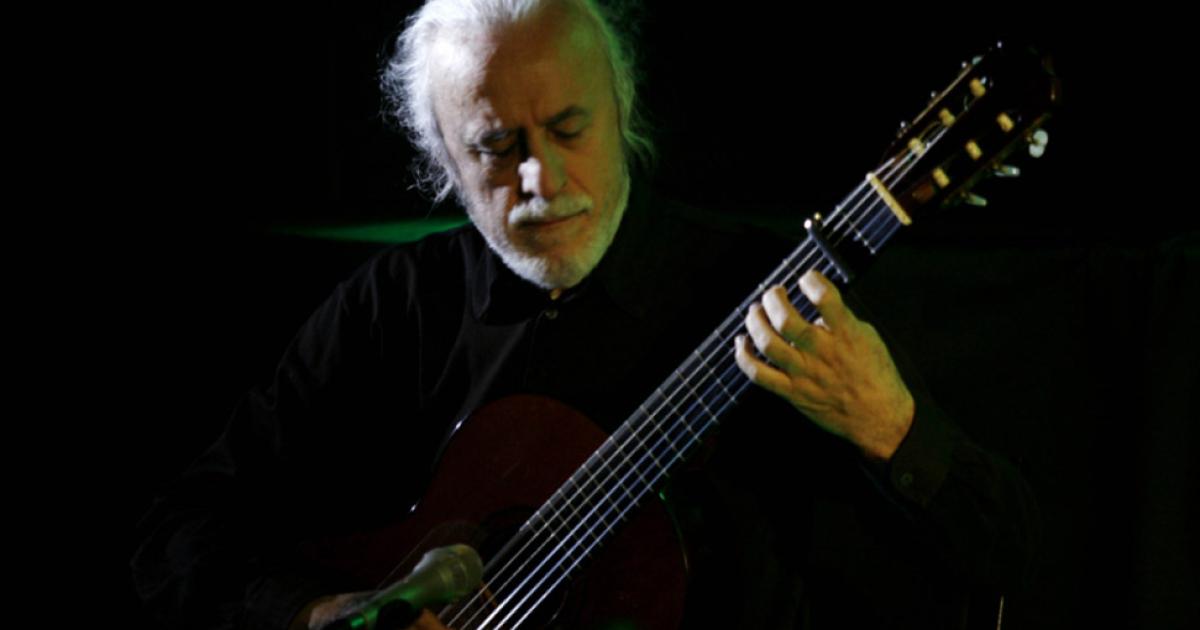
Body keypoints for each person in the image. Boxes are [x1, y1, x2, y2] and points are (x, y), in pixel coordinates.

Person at [132, 1, 1038, 628]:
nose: (542, 179)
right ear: (443, 159)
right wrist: (318, 612)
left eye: (570, 128)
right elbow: (179, 532)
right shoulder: (393, 310)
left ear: (623, 109)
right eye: (497, 147)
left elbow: (1009, 559)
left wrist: (892, 425)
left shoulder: (770, 296)